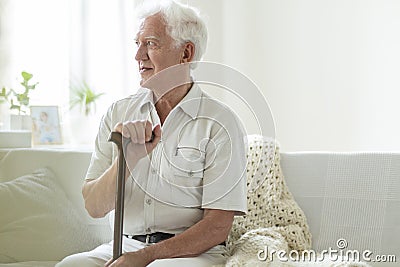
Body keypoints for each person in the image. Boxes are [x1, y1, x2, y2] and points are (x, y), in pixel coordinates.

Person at [57, 1, 247, 266]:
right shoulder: (118, 113)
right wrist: (127, 159)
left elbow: (217, 227)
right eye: (137, 43)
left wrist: (147, 256)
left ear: (186, 53)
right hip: (125, 244)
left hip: (192, 252)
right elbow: (94, 206)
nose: (138, 56)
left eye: (151, 44)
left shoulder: (220, 124)